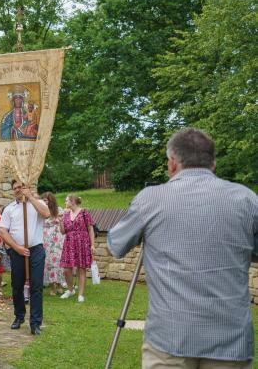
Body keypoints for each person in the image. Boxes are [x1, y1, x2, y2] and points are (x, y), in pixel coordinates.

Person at [108, 128, 258, 368]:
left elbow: (115, 245)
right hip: (231, 339)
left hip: (171, 338)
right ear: (213, 163)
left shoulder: (151, 199)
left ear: (172, 163)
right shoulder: (247, 199)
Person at [0, 180, 50, 335]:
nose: (17, 190)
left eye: (20, 187)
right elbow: (2, 231)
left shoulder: (38, 203)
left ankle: (35, 323)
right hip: (17, 251)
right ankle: (19, 316)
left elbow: (46, 214)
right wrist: (17, 248)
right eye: (15, 188)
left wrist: (31, 198)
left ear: (26, 188)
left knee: (36, 286)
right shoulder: (9, 209)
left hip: (36, 250)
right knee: (17, 285)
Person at [58, 195, 95, 302]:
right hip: (69, 243)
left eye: (66, 200)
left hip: (82, 243)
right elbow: (63, 231)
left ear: (73, 201)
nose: (65, 202)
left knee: (81, 269)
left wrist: (92, 245)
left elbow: (90, 229)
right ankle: (70, 290)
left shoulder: (84, 212)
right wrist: (60, 221)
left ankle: (80, 294)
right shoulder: (65, 214)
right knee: (66, 269)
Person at [41, 192, 65, 296]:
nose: (44, 202)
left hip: (58, 240)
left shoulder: (59, 210)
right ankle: (51, 287)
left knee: (59, 262)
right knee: (49, 263)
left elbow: (63, 224)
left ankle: (59, 285)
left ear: (51, 201)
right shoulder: (41, 212)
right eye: (43, 200)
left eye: (46, 200)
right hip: (46, 240)